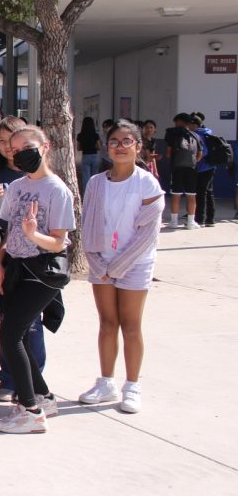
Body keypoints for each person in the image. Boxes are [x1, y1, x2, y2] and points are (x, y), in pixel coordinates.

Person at [0, 126, 74, 434]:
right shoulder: (16, 187)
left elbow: (59, 242)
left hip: (43, 271)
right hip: (16, 267)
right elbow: (7, 229)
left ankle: (30, 410)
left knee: (10, 336)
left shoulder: (57, 190)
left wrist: (33, 234)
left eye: (26, 146)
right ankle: (44, 397)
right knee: (19, 336)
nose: (20, 153)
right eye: (14, 150)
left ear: (45, 146)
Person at [80, 120, 163, 414]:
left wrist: (117, 266)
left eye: (127, 141)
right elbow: (87, 225)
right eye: (114, 141)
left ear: (138, 147)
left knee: (130, 325)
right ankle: (105, 383)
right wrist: (98, 262)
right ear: (106, 146)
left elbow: (148, 232)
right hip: (101, 263)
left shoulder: (147, 183)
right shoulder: (96, 183)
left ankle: (132, 386)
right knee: (106, 323)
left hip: (135, 264)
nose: (120, 146)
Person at [0, 116, 45, 401]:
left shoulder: (42, 181)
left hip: (36, 260)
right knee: (8, 321)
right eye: (3, 141)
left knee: (31, 323)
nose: (9, 147)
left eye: (15, 141)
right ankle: (9, 378)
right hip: (3, 255)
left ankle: (34, 381)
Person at [164, 113, 201, 229]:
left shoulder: (173, 134)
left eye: (176, 122)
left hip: (177, 168)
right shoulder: (196, 136)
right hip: (191, 169)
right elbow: (200, 154)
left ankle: (174, 222)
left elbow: (168, 153)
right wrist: (193, 163)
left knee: (176, 195)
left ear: (180, 121)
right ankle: (190, 222)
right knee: (191, 195)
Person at [189, 113, 217, 227]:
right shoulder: (207, 132)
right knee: (208, 192)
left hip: (202, 168)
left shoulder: (198, 135)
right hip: (211, 167)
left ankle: (200, 219)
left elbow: (203, 152)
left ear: (194, 125)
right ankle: (210, 219)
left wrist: (195, 159)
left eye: (189, 124)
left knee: (200, 193)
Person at [77, 117, 102, 192]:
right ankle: (95, 192)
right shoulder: (95, 135)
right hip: (94, 156)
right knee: (95, 176)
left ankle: (86, 194)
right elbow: (99, 146)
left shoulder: (80, 135)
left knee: (86, 177)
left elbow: (78, 148)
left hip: (85, 156)